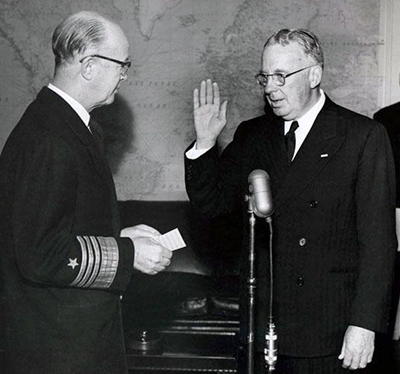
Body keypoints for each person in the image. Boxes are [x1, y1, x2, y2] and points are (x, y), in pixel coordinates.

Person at [185, 29, 397, 373]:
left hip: (330, 330)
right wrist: (205, 144)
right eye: (265, 77)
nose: (270, 87)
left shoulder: (362, 137)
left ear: (314, 74)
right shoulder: (253, 134)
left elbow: (379, 244)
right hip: (265, 324)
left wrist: (365, 325)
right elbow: (211, 204)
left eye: (281, 76)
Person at [0, 11, 172, 374]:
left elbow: (60, 225)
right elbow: (40, 253)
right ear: (90, 65)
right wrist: (127, 254)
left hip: (71, 341)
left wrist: (120, 236)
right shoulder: (49, 137)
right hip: (59, 351)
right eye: (121, 65)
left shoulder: (67, 125)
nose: (124, 76)